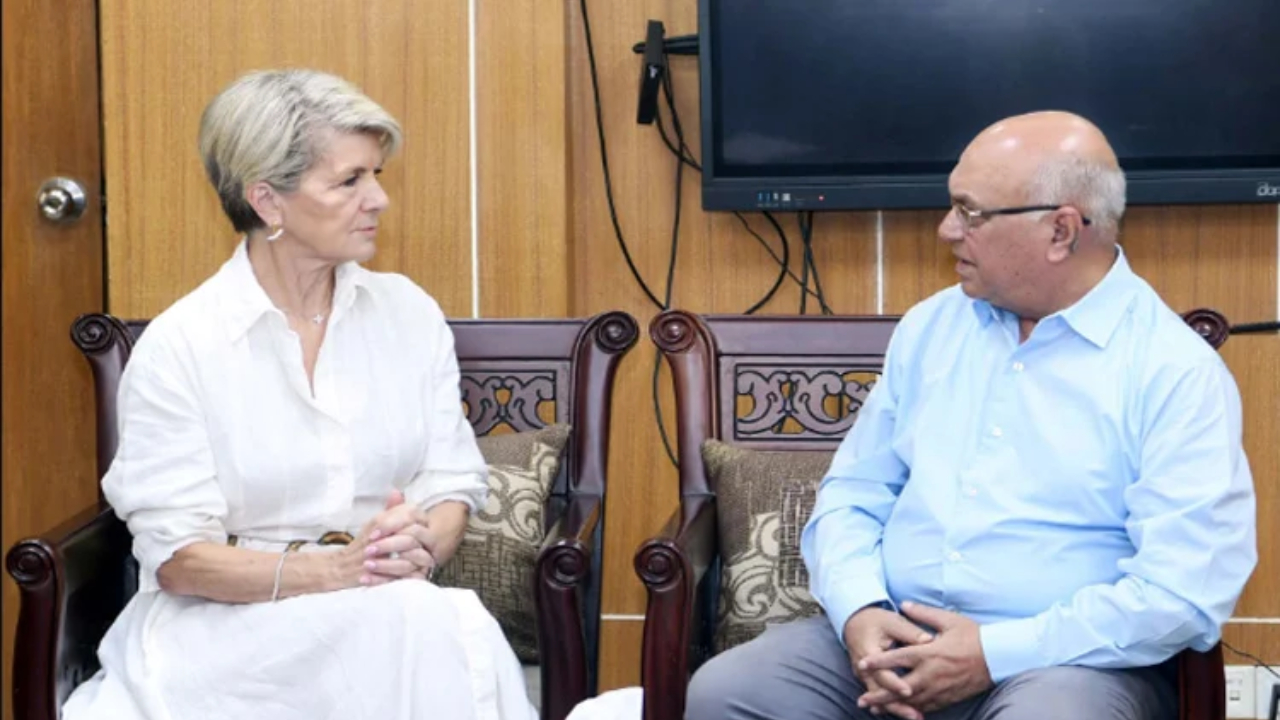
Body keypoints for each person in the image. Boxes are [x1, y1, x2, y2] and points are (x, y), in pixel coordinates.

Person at [685, 111, 1257, 720]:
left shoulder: (1173, 371)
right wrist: (860, 610)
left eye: (970, 212)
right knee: (730, 692)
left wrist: (991, 653)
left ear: (1061, 230)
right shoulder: (932, 326)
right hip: (892, 635)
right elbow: (853, 494)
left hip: (1064, 663)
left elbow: (1180, 593)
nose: (946, 230)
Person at [61, 69, 536, 720]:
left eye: (376, 175)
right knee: (428, 624)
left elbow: (451, 481)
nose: (378, 200)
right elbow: (178, 559)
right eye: (349, 181)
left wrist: (417, 541)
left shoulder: (408, 314)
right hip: (225, 634)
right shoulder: (183, 346)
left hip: (384, 611)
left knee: (436, 621)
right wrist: (339, 571)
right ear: (268, 201)